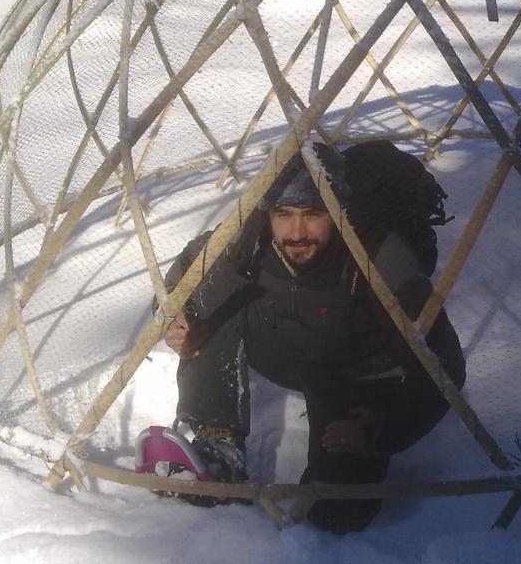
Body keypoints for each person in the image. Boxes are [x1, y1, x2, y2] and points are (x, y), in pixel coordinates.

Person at [162, 143, 465, 534]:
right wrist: (179, 319)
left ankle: (340, 475)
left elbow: (444, 364)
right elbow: (183, 277)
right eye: (284, 214)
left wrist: (379, 431)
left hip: (350, 369)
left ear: (337, 212)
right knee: (210, 304)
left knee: (337, 513)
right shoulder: (246, 236)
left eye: (313, 214)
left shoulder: (380, 258)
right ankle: (217, 442)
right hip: (282, 342)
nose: (297, 232)